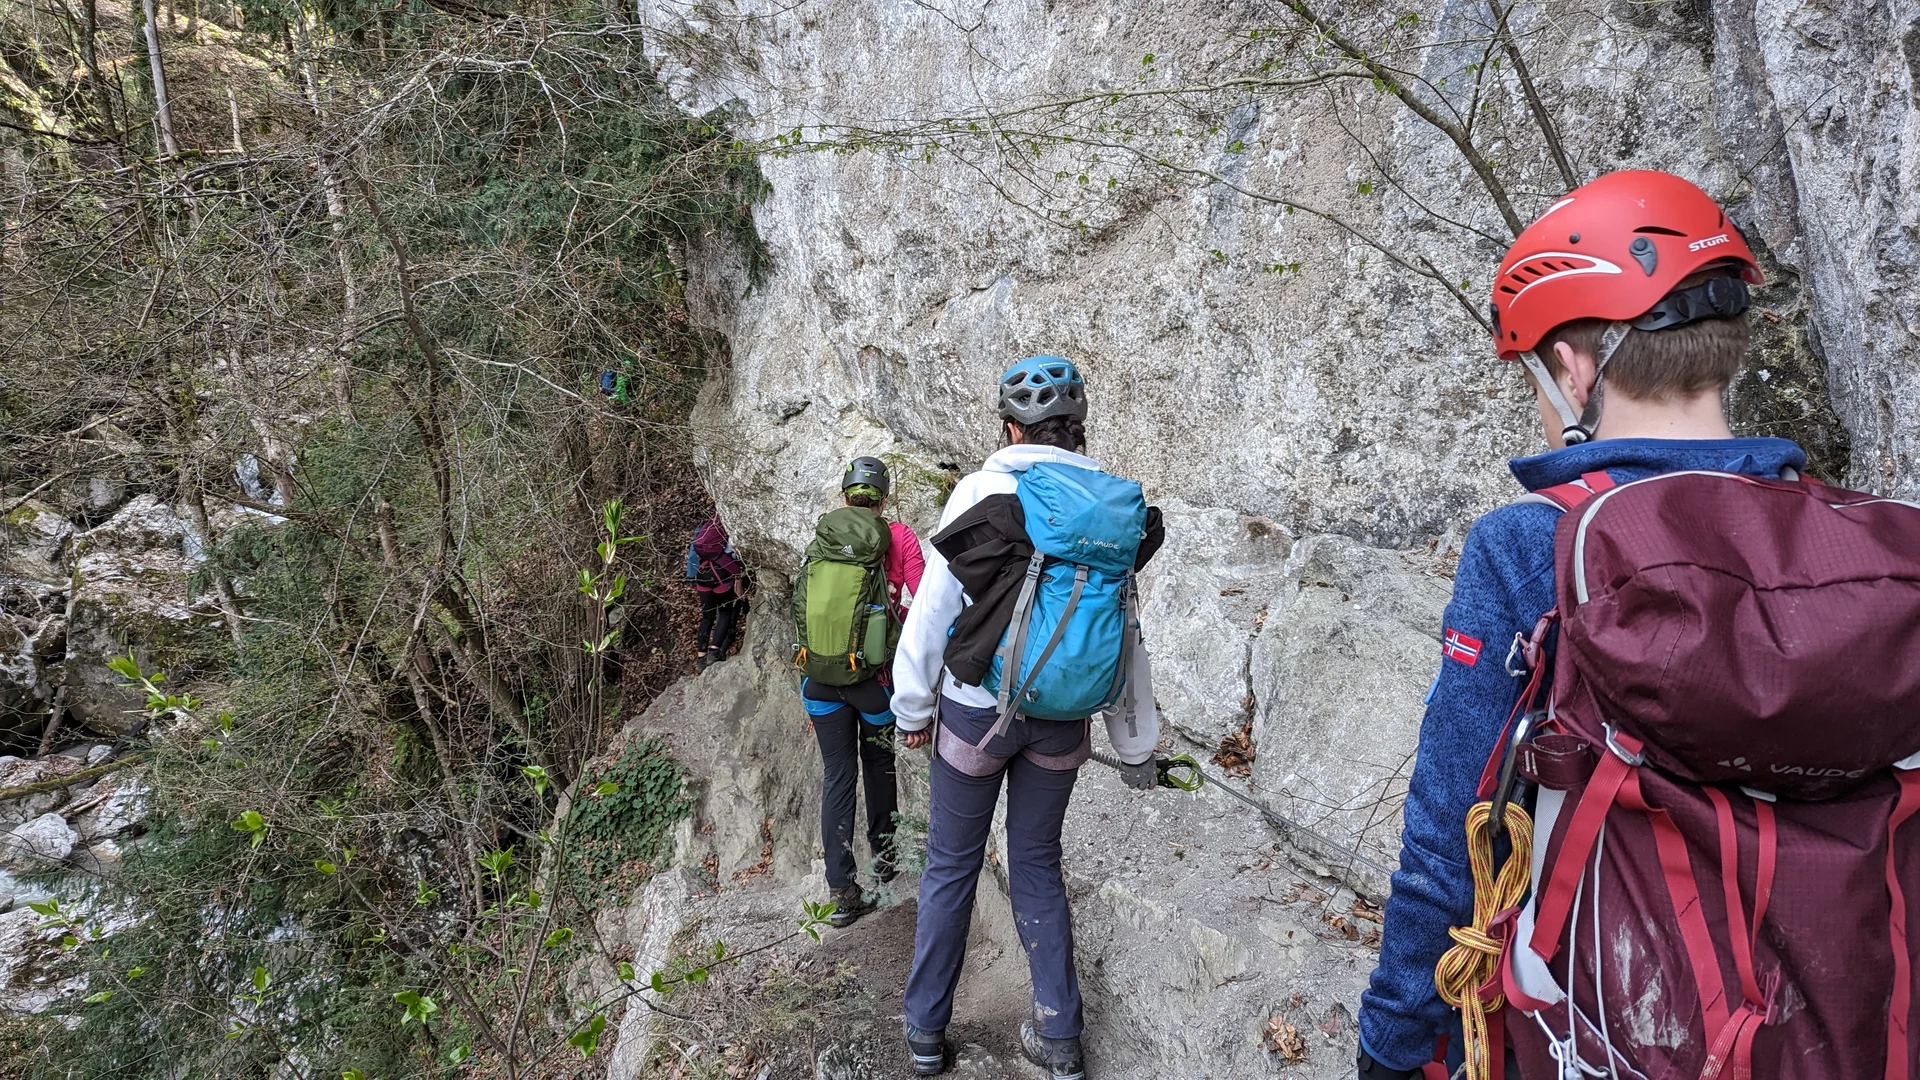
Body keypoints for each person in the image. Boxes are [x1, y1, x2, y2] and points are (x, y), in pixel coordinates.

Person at [1356, 172, 1811, 1076]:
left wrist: (1392, 1039)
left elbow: (1456, 835)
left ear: (1573, 368)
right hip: (1818, 1021)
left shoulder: (1536, 543)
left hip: (1605, 1021)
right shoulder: (1851, 537)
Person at [893, 356, 1161, 1080]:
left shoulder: (983, 490)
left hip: (976, 714)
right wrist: (1136, 745)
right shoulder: (1110, 505)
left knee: (951, 865)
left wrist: (912, 707)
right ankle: (1059, 1037)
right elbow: (1122, 630)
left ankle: (926, 1032)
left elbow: (934, 610)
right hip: (1063, 720)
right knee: (1038, 862)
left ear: (1011, 428)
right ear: (1077, 430)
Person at [796, 457, 924, 928]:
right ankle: (885, 863)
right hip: (874, 684)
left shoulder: (823, 540)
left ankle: (843, 893)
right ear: (884, 499)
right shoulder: (900, 537)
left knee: (837, 777)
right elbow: (926, 607)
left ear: (845, 496)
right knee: (879, 765)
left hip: (820, 681)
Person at [687, 515, 744, 671]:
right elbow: (735, 556)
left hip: (703, 573)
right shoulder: (730, 530)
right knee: (724, 613)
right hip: (721, 576)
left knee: (707, 616)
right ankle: (714, 652)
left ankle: (701, 658)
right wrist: (738, 581)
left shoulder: (709, 529)